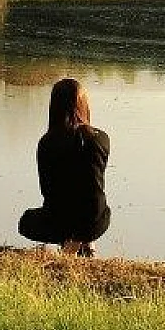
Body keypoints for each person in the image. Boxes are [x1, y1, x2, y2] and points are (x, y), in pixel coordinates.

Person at [18, 78, 111, 256]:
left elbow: (48, 190)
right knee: (94, 201)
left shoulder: (47, 142)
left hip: (60, 223)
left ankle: (70, 243)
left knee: (26, 221)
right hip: (96, 222)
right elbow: (94, 183)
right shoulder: (101, 138)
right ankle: (87, 243)